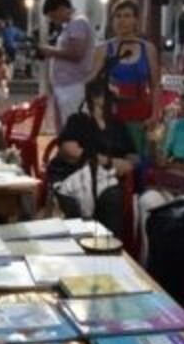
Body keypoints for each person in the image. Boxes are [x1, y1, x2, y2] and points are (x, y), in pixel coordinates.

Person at [46, 78, 138, 236]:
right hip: (73, 175)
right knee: (71, 201)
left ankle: (108, 250)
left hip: (106, 179)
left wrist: (126, 164)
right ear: (96, 99)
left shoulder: (118, 125)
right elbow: (70, 151)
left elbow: (132, 158)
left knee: (112, 197)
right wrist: (108, 161)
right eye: (110, 97)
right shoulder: (79, 120)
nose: (114, 103)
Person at [94, 0, 161, 156]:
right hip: (113, 115)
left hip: (141, 116)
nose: (121, 20)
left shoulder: (148, 48)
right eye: (117, 16)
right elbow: (92, 84)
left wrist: (155, 114)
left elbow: (156, 85)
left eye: (127, 16)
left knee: (141, 163)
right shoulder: (103, 49)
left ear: (136, 20)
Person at [38, 0, 96, 131]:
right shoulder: (71, 25)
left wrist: (49, 51)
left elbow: (77, 53)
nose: (55, 21)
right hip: (65, 86)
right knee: (63, 126)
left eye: (54, 16)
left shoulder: (78, 23)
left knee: (72, 127)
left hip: (73, 86)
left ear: (62, 9)